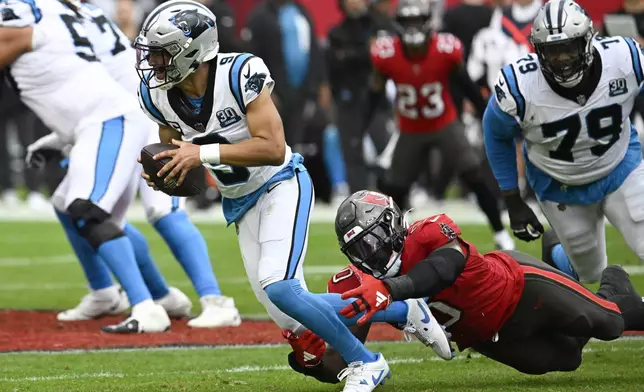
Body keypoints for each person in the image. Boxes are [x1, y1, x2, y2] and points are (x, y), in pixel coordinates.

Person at [132, 1, 439, 390]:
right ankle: (401, 310)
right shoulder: (156, 95)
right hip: (239, 201)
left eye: (162, 54)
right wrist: (167, 176)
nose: (154, 65)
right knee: (290, 314)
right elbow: (179, 158)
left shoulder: (240, 73)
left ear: (191, 51)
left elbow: (274, 147)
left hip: (280, 183)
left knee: (281, 285)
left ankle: (367, 362)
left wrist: (202, 153)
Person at [24, 0, 241, 328]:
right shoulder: (79, 15)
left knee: (156, 210)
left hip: (141, 113)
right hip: (130, 110)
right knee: (75, 205)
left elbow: (84, 87)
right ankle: (151, 295)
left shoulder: (47, 19)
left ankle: (215, 300)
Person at [283, 190, 644, 382]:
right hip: (488, 337)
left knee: (610, 323)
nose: (372, 253)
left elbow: (444, 267)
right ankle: (560, 259)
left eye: (374, 239)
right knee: (568, 357)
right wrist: (310, 361)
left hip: (521, 288)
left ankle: (614, 282)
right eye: (361, 247)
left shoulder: (425, 232)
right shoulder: (359, 283)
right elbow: (349, 363)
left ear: (392, 226)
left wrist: (393, 289)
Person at [0, 0, 171, 332]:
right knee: (66, 205)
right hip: (97, 122)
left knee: (88, 210)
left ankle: (147, 307)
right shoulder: (50, 22)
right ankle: (107, 293)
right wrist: (59, 139)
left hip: (110, 121)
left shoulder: (24, 27)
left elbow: (25, 41)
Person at [484, 0, 644, 283]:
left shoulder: (624, 58)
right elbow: (495, 132)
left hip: (621, 166)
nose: (562, 60)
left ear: (588, 41)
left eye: (568, 48)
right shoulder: (521, 86)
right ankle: (555, 249)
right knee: (589, 272)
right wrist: (512, 198)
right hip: (560, 183)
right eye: (552, 51)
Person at [369, 0, 515, 250]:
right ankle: (396, 243)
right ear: (398, 25)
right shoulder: (387, 55)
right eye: (407, 23)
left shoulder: (445, 50)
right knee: (396, 189)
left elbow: (465, 85)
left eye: (417, 22)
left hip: (443, 123)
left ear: (428, 23)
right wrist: (364, 125)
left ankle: (501, 233)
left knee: (473, 175)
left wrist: (484, 113)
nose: (412, 29)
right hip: (410, 128)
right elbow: (374, 93)